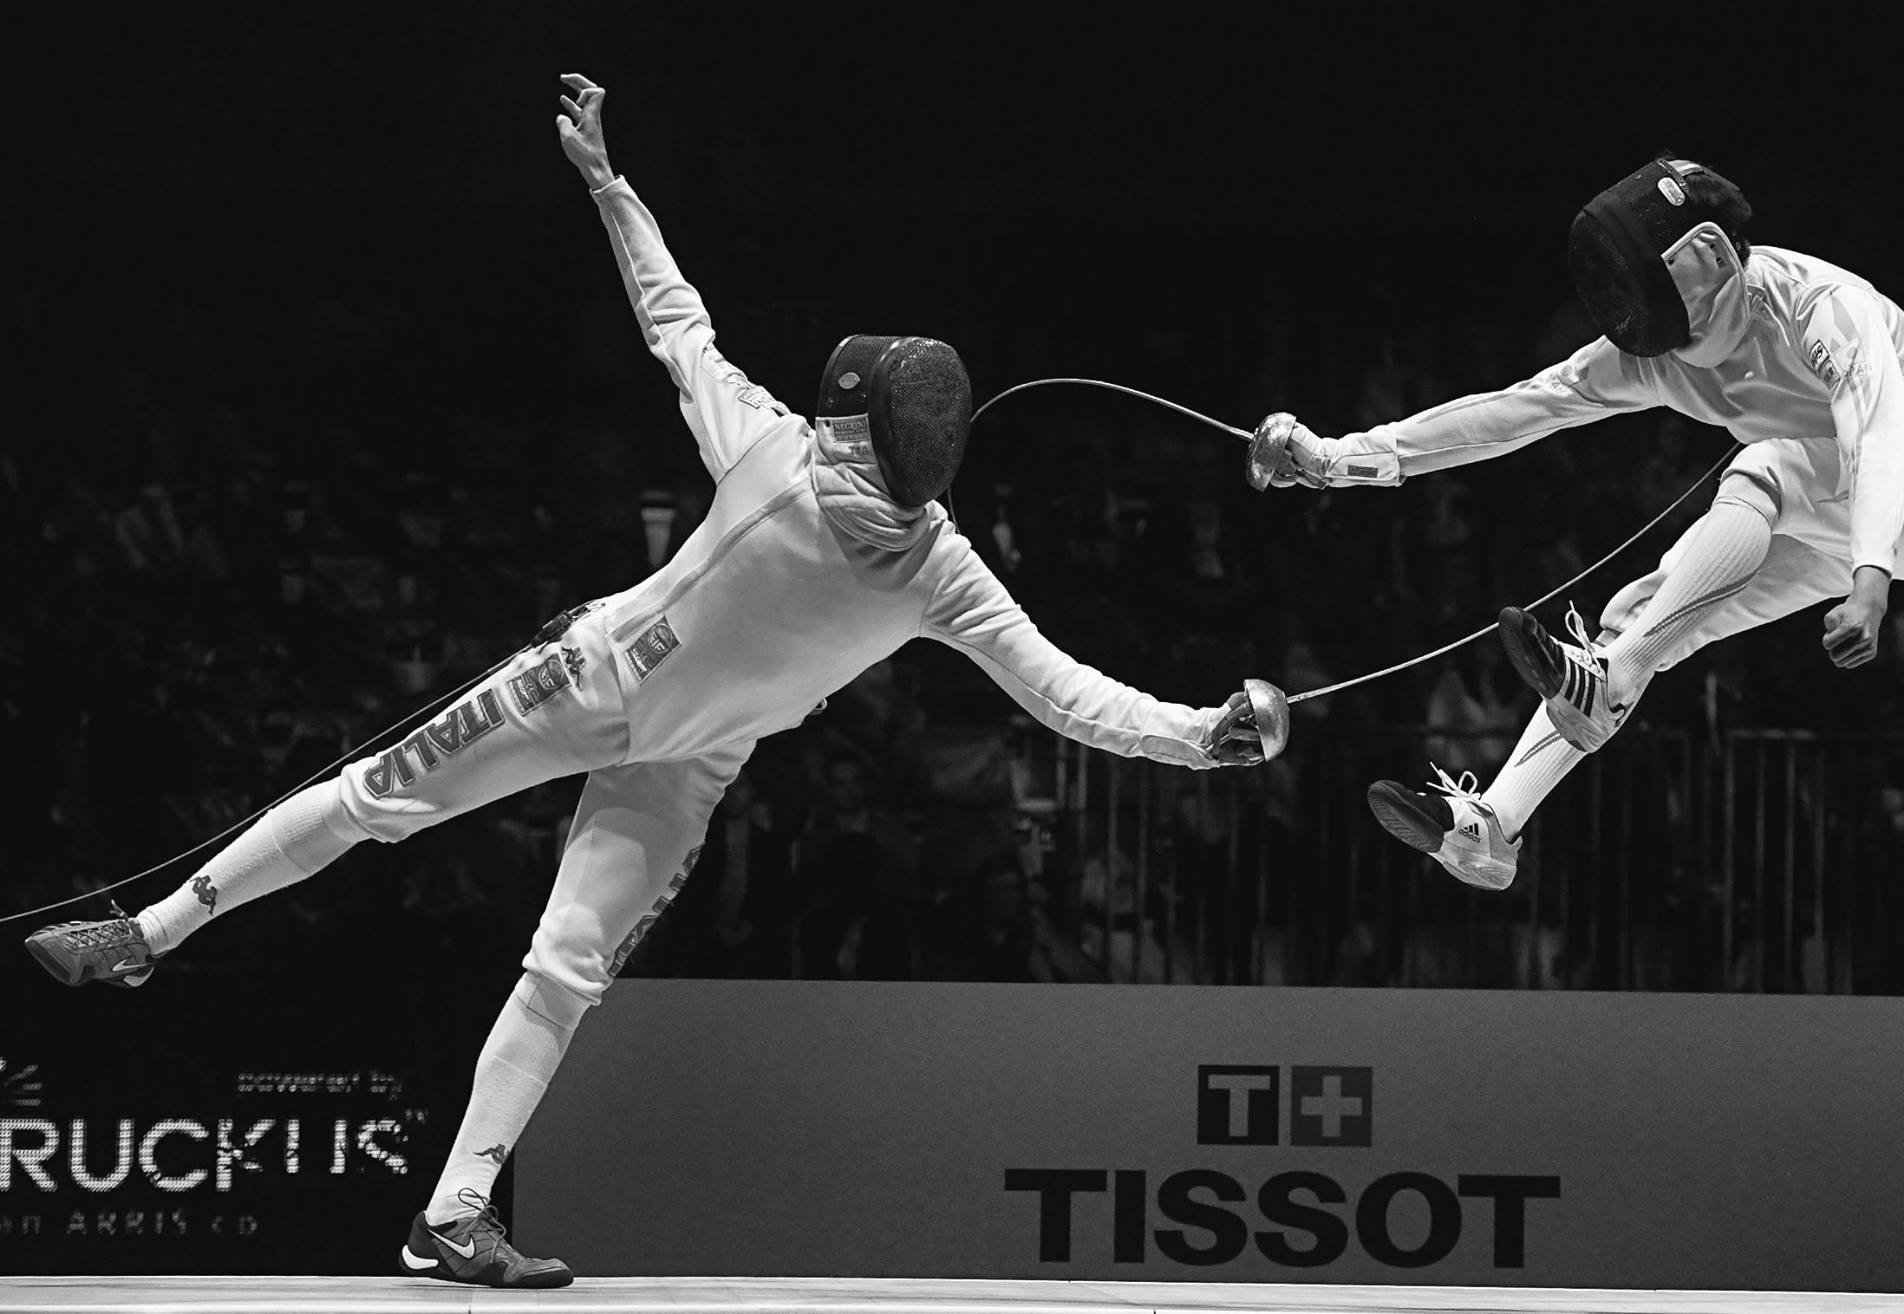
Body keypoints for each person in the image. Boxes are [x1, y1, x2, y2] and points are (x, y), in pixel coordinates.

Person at [22, 74, 1270, 1289]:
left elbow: (1064, 692)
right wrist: (610, 185)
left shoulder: (883, 531)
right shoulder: (825, 485)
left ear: (858, 434)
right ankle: (145, 935)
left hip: (685, 763)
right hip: (588, 678)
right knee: (371, 803)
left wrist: (1199, 734)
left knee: (560, 968)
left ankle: (450, 1216)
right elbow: (678, 320)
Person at [1267, 155, 1904, 891]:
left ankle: (1609, 677)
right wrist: (1339, 460)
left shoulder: (1820, 305)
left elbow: (1880, 438)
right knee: (1640, 618)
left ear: (1705, 254)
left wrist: (1871, 580)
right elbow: (1518, 409)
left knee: (1763, 470)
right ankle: (1493, 828)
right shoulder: (1656, 356)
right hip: (1828, 519)